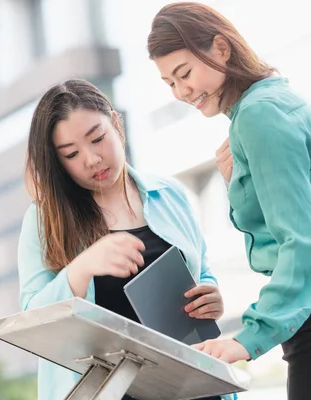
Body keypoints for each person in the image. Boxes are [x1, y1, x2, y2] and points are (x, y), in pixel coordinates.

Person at [147, 2, 311, 399]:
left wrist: (248, 338)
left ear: (221, 48)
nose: (182, 92)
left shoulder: (257, 116)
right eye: (169, 83)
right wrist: (240, 180)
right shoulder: (269, 100)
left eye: (184, 73)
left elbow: (300, 242)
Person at [17, 78, 233, 400]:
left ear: (116, 124)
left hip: (192, 386)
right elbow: (34, 319)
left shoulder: (168, 194)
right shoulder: (44, 219)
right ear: (58, 162)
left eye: (98, 139)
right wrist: (82, 268)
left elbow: (201, 271)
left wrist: (210, 297)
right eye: (72, 153)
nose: (91, 159)